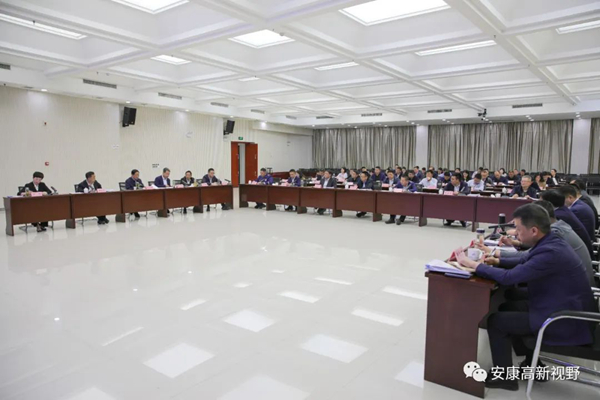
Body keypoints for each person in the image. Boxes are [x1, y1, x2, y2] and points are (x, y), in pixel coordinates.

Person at [455, 204, 596, 391]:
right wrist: (497, 260)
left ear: (534, 230)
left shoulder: (551, 252)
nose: (516, 234)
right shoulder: (551, 241)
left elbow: (510, 277)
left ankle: (505, 378)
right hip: (561, 305)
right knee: (508, 306)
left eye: (519, 230)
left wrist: (474, 265)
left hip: (565, 320)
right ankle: (533, 364)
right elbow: (525, 259)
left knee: (496, 321)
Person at [540, 190, 593, 255]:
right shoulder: (563, 210)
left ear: (548, 204)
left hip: (578, 256)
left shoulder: (558, 216)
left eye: (540, 202)